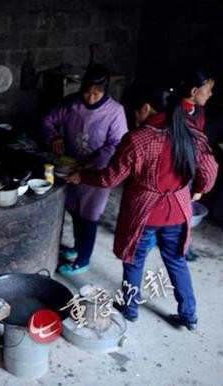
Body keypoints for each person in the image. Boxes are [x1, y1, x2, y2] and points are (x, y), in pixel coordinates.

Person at [65, 84, 218, 330]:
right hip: (178, 210)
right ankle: (189, 315)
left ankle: (130, 307)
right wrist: (199, 188)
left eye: (133, 112)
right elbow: (210, 170)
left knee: (134, 260)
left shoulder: (138, 139)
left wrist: (82, 176)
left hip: (144, 213)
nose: (133, 118)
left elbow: (110, 179)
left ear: (145, 108)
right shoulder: (190, 131)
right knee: (177, 261)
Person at [42, 64, 128, 276]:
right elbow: (48, 120)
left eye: (96, 93)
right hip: (70, 167)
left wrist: (90, 162)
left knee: (89, 215)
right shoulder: (72, 104)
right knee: (74, 209)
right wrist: (54, 136)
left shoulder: (115, 112)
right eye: (87, 91)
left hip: (97, 172)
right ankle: (77, 247)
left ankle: (83, 259)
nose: (90, 97)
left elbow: (117, 143)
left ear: (105, 90)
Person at [177, 68, 215, 261]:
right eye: (207, 89)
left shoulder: (198, 111)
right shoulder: (176, 111)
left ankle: (183, 246)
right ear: (193, 92)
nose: (210, 94)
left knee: (188, 207)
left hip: (191, 168)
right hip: (177, 169)